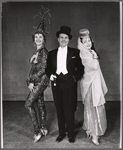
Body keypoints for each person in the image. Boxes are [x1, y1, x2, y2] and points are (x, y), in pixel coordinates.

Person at [46, 26, 84, 143]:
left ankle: (71, 134)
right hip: (57, 83)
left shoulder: (75, 52)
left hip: (69, 83)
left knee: (69, 108)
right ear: (58, 39)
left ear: (69, 39)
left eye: (66, 37)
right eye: (61, 37)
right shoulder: (51, 53)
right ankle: (61, 133)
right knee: (59, 108)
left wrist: (74, 78)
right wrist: (51, 75)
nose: (63, 39)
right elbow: (48, 69)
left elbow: (81, 69)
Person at [77, 29, 108, 145]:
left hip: (94, 83)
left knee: (96, 107)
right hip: (89, 85)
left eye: (89, 40)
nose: (88, 43)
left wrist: (94, 54)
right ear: (81, 43)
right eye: (84, 41)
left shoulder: (89, 52)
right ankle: (94, 134)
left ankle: (91, 130)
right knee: (93, 108)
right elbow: (94, 67)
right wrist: (95, 57)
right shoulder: (84, 54)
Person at [25, 26, 49, 142]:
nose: (38, 39)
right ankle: (44, 128)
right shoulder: (37, 52)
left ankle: (37, 131)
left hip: (42, 81)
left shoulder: (44, 52)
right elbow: (33, 70)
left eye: (40, 37)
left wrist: (32, 81)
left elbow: (44, 69)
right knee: (40, 104)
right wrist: (29, 82)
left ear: (44, 39)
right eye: (36, 37)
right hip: (37, 81)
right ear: (33, 39)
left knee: (28, 104)